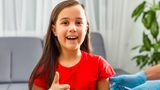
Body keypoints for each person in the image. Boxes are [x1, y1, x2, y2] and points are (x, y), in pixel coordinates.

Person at [29, 0, 115, 90]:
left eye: (78, 23)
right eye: (65, 23)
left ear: (86, 28)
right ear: (54, 30)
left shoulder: (99, 65)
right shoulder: (43, 71)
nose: (73, 28)